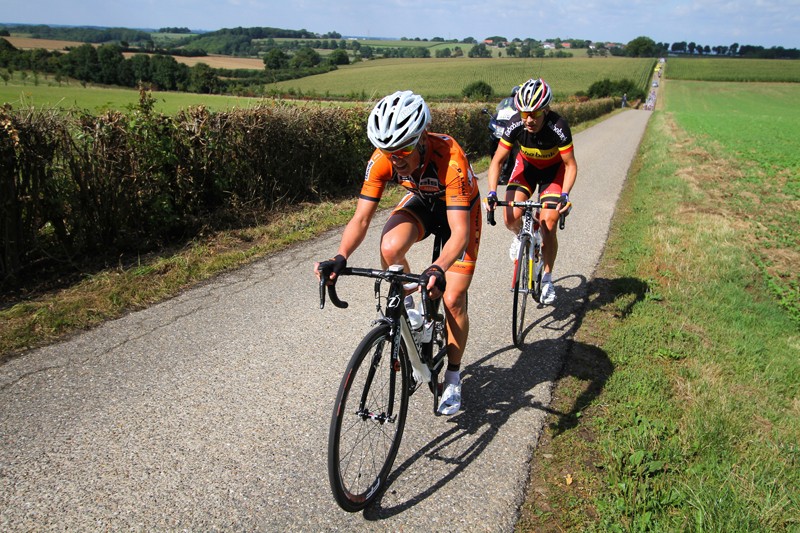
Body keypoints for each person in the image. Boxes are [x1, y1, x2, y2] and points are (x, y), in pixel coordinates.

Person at [314, 90, 482, 415]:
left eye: (403, 149)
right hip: (423, 201)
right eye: (388, 150)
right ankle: (411, 312)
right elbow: (361, 218)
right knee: (389, 246)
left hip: (460, 211)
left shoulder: (450, 157)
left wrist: (438, 268)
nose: (396, 158)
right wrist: (341, 256)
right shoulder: (382, 159)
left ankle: (453, 376)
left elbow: (459, 233)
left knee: (453, 298)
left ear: (421, 139)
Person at [485, 78, 577, 305]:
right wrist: (491, 192)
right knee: (511, 217)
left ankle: (546, 278)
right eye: (524, 113)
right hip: (526, 169)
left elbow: (570, 165)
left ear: (545, 110)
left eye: (534, 114)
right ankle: (522, 235)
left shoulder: (559, 126)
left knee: (549, 223)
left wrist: (565, 195)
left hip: (552, 173)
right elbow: (497, 160)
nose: (528, 119)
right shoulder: (516, 123)